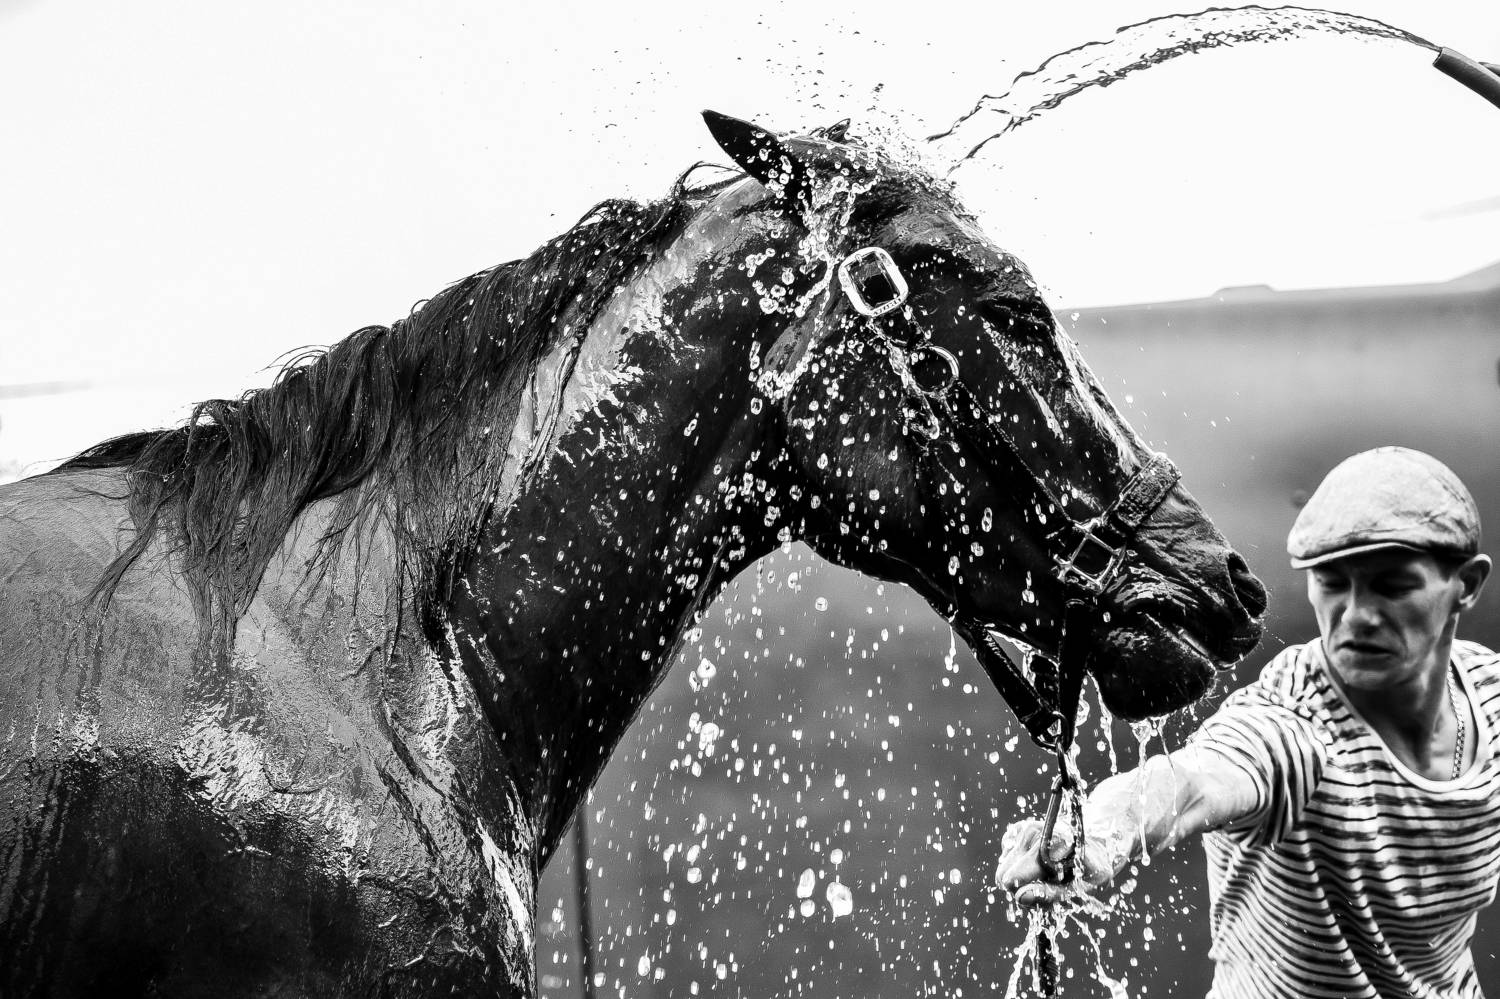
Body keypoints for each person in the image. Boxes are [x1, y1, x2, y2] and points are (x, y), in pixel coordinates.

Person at [998, 446, 1499, 998]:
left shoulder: (1491, 695)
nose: (1356, 615)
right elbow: (1192, 781)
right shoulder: (1296, 724)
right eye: (1332, 582)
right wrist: (1093, 838)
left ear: (1468, 584)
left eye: (1393, 586)